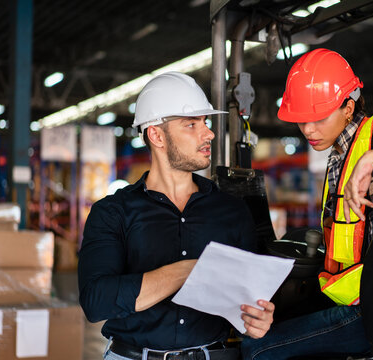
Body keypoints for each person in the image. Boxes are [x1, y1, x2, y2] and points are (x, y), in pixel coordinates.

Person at [241, 48, 373, 359]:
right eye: (302, 121)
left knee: (259, 349)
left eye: (319, 118)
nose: (309, 130)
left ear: (348, 108)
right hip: (350, 295)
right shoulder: (337, 156)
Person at [78, 71, 275, 360]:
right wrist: (188, 270)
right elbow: (97, 302)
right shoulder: (112, 212)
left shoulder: (232, 211)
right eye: (191, 124)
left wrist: (259, 320)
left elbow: (249, 301)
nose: (208, 133)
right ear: (156, 135)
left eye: (205, 123)